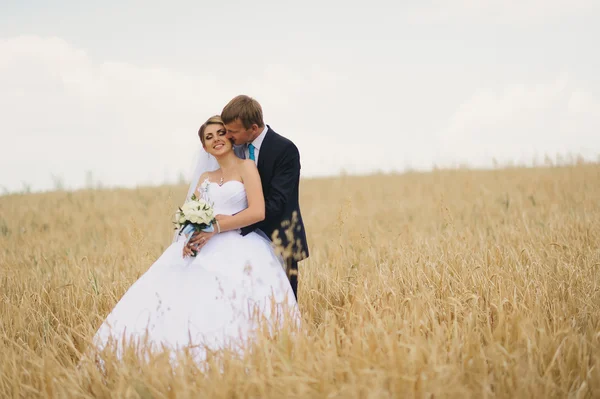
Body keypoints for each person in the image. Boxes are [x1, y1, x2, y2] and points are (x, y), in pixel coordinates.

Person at [92, 115, 299, 363]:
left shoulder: (247, 168)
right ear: (204, 147)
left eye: (221, 133)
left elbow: (257, 212)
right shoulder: (205, 179)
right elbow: (193, 214)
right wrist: (190, 236)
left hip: (240, 245)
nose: (216, 140)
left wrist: (217, 227)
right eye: (209, 138)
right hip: (203, 245)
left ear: (230, 137)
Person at [188, 95, 309, 300]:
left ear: (252, 128)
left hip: (278, 237)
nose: (227, 136)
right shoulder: (235, 148)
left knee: (282, 304)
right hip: (226, 241)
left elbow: (277, 201)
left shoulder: (285, 150)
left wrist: (227, 222)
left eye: (231, 132)